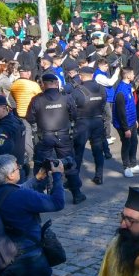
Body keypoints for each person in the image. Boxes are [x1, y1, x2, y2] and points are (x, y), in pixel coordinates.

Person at [26, 72, 84, 204]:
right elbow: (74, 114)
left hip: (45, 136)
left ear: (43, 85)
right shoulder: (66, 98)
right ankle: (77, 194)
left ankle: (38, 195)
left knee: (41, 165)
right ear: (57, 83)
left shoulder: (37, 99)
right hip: (63, 136)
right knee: (69, 164)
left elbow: (30, 117)